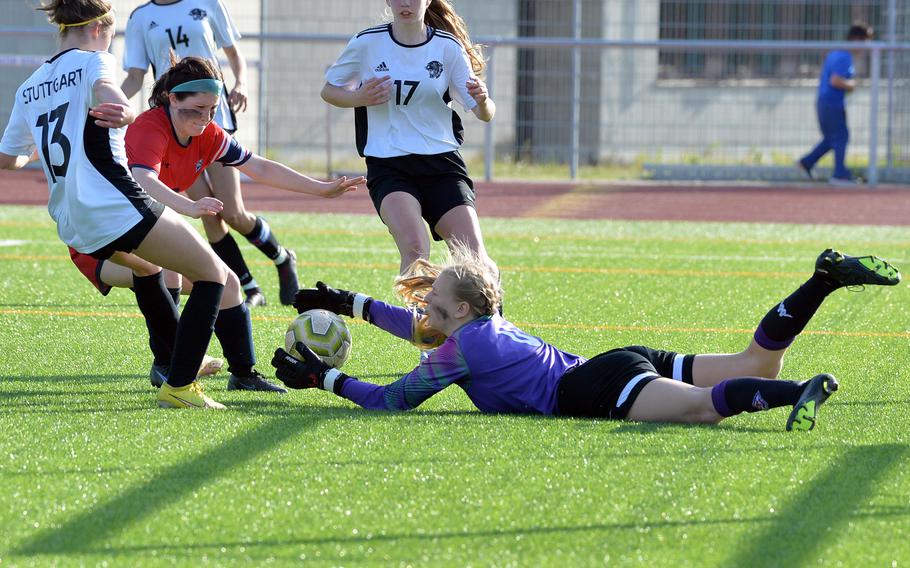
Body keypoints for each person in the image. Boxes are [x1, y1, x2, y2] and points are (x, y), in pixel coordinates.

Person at [271, 247, 900, 431]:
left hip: (592, 385)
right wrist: (345, 304)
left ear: (459, 310)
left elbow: (393, 402)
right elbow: (412, 325)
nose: (425, 315)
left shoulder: (462, 349)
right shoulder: (482, 324)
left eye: (435, 306)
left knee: (701, 411)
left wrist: (320, 378)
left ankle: (798, 393)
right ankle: (820, 281)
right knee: (752, 360)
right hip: (612, 361)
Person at [0, 0, 250, 409]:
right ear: (100, 27)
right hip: (113, 205)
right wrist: (123, 107)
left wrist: (35, 153)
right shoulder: (94, 61)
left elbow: (7, 159)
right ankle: (180, 386)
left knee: (149, 268)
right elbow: (108, 91)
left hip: (71, 220)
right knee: (213, 275)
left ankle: (172, 362)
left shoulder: (30, 85)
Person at [67, 55, 365, 391]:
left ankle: (243, 374)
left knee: (228, 283)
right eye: (195, 109)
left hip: (139, 228)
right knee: (168, 270)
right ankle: (167, 365)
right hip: (100, 239)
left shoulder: (207, 132)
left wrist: (321, 189)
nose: (205, 118)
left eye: (212, 109)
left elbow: (260, 167)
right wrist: (191, 206)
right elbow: (143, 180)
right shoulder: (150, 127)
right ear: (171, 98)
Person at [121, 0, 293, 307]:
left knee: (233, 213)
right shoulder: (140, 17)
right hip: (177, 128)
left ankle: (281, 258)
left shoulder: (207, 4)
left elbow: (232, 52)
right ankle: (249, 287)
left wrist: (241, 82)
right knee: (209, 214)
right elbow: (135, 75)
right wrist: (112, 105)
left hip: (213, 122)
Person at [321, 0, 496, 276]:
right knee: (416, 251)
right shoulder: (367, 43)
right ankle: (417, 320)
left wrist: (483, 100)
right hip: (389, 167)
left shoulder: (447, 47)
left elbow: (485, 114)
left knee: (475, 260)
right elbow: (329, 90)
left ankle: (492, 320)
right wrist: (358, 97)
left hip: (443, 166)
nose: (406, 3)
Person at [798, 22, 874, 186]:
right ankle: (839, 174)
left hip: (824, 102)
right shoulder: (844, 56)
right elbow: (835, 80)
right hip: (831, 103)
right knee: (841, 137)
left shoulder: (837, 53)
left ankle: (806, 163)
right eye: (865, 41)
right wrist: (851, 85)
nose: (866, 47)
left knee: (831, 139)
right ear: (856, 39)